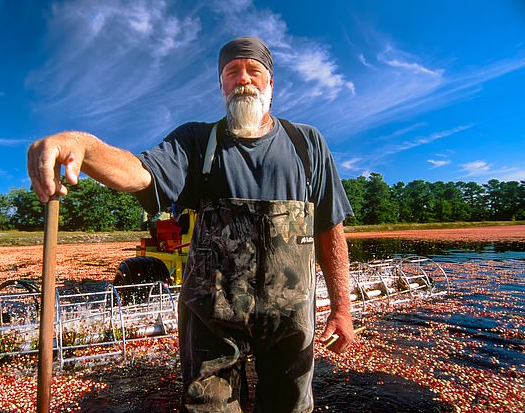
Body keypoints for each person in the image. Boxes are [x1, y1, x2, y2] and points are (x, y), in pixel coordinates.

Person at [28, 36, 355, 412]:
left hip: (290, 321)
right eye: (232, 72)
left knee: (290, 406)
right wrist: (84, 147)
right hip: (212, 320)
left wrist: (341, 309)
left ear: (271, 84)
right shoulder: (198, 142)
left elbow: (330, 228)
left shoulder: (307, 143)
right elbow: (141, 173)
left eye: (254, 71)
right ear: (221, 85)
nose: (243, 79)